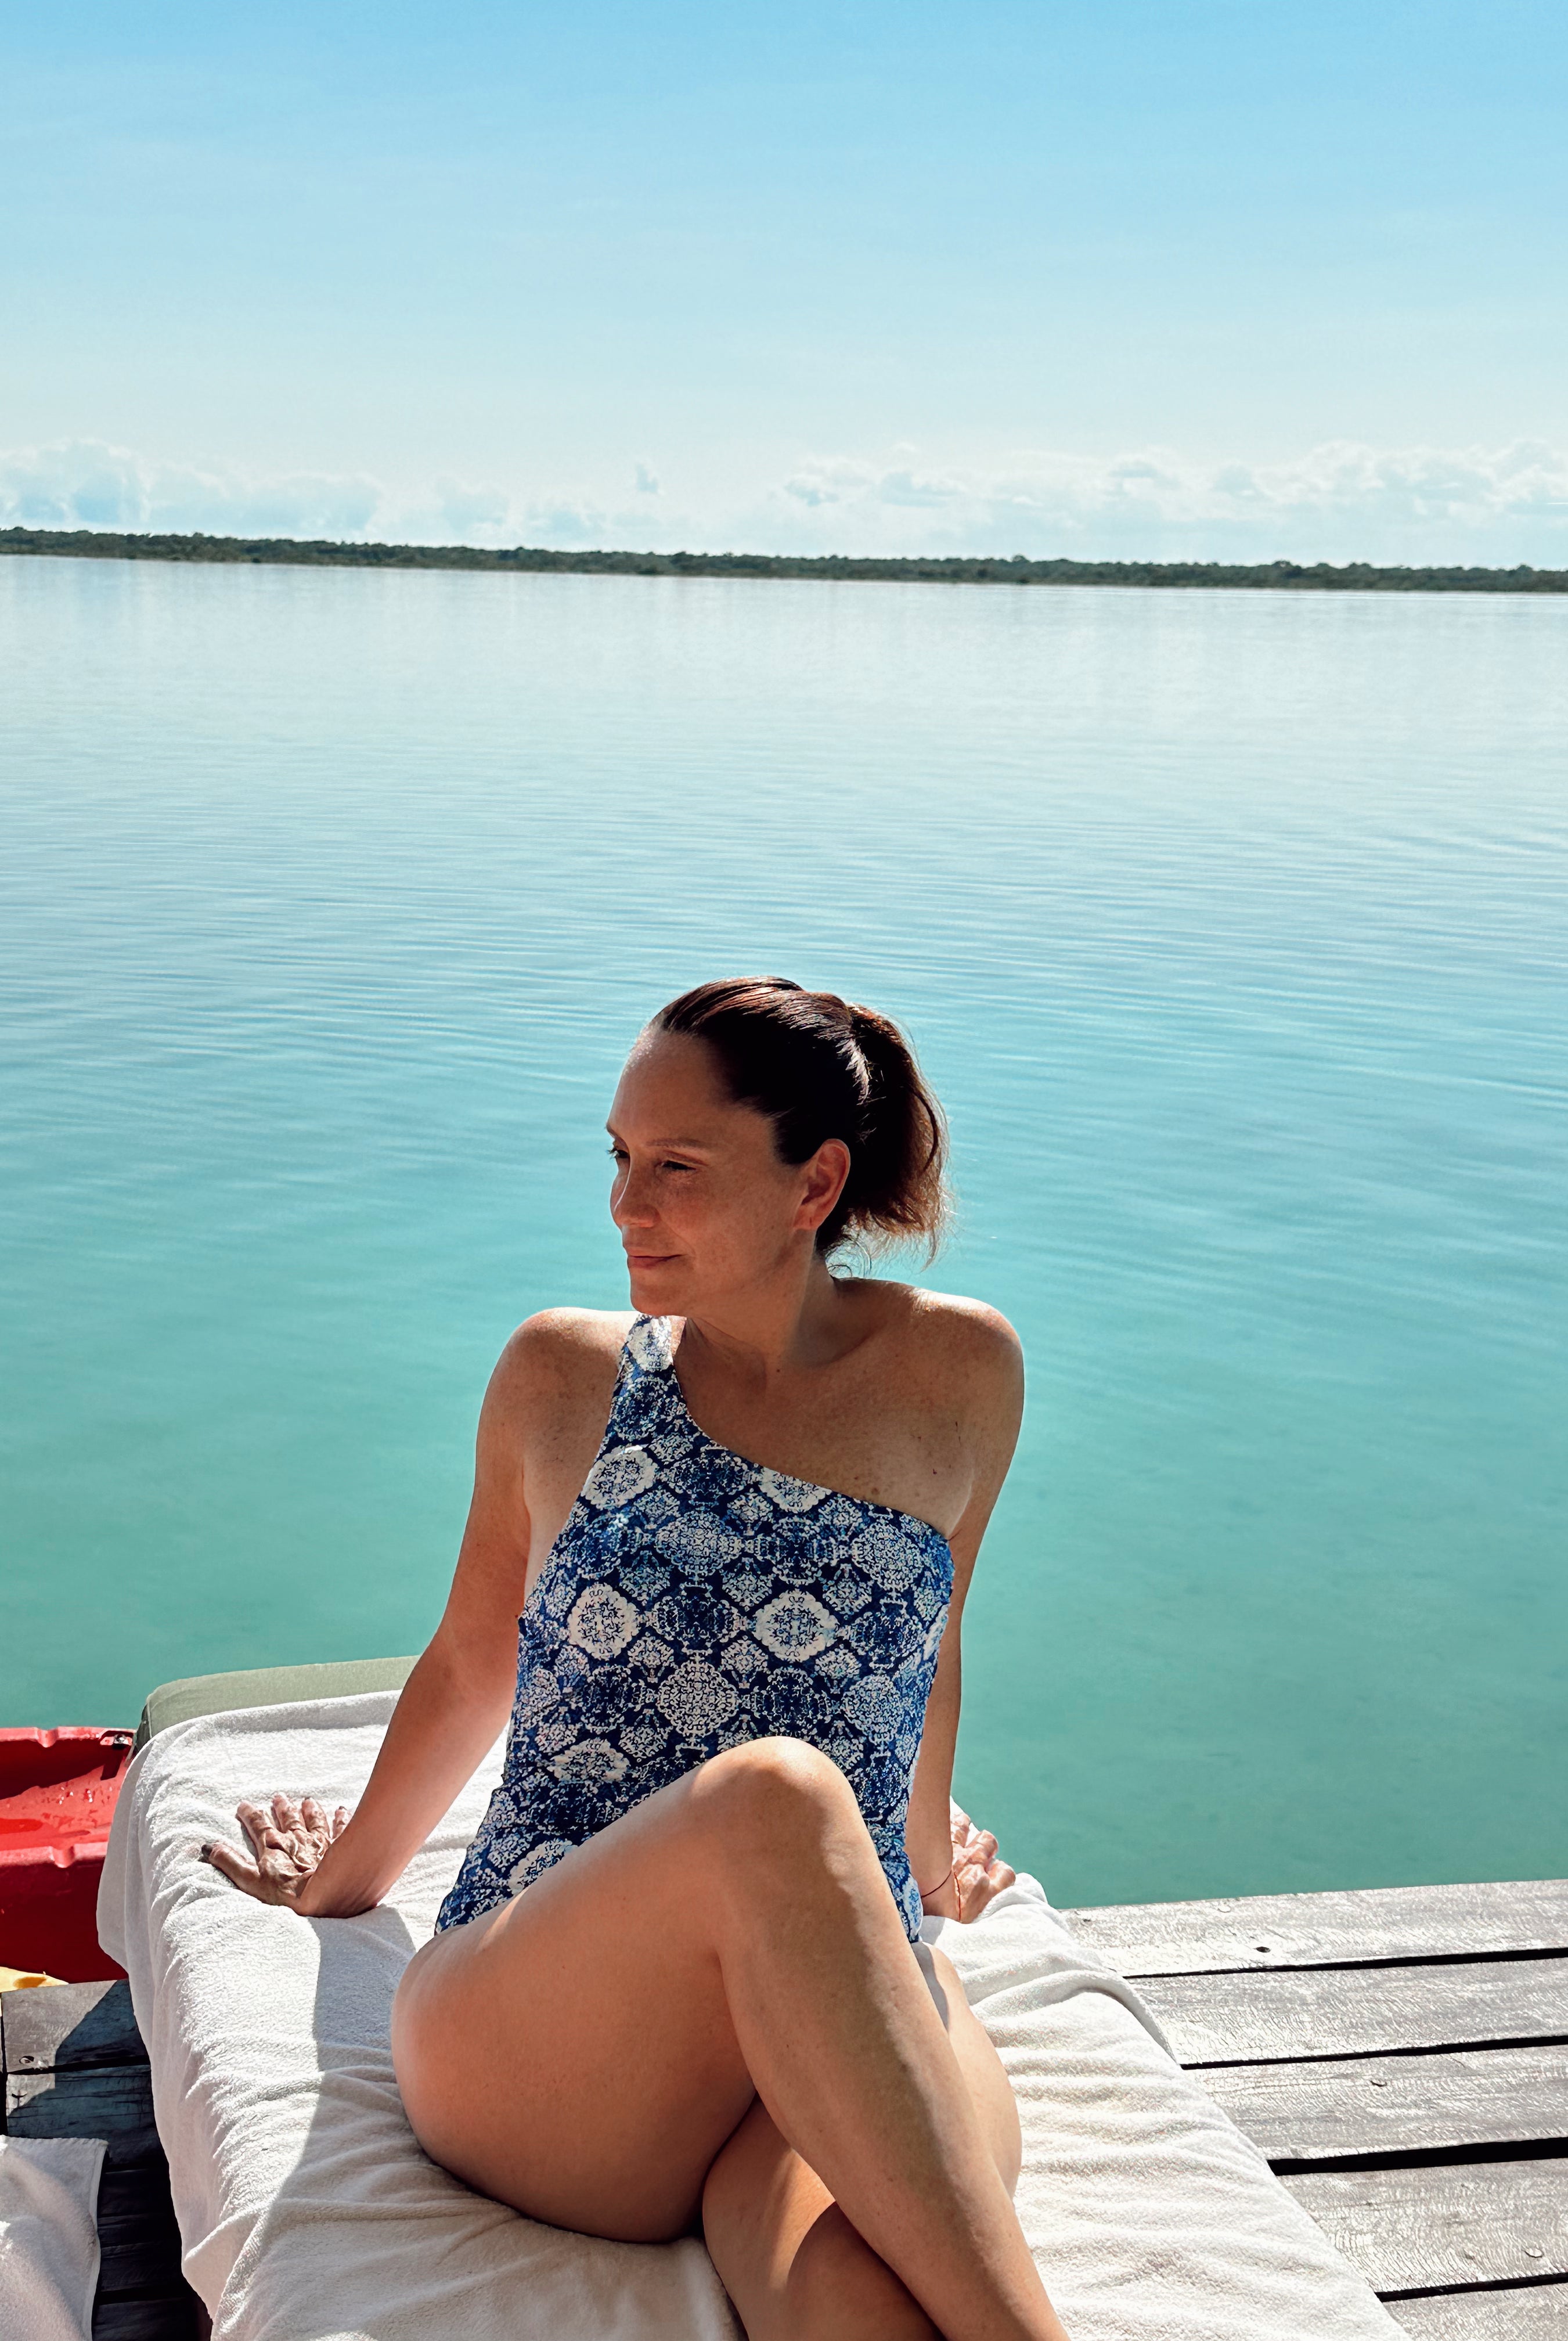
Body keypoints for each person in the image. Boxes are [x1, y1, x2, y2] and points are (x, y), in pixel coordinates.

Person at [204, 978, 1072, 2341]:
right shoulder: (565, 1376)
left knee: (857, 2286)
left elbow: (930, 1639)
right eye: (617, 1157)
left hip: (823, 2001)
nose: (624, 1205)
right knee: (775, 1798)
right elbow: (471, 1664)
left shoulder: (960, 1373)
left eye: (676, 1167)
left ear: (813, 1184)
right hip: (545, 2028)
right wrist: (337, 1885)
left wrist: (916, 1859)